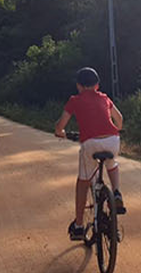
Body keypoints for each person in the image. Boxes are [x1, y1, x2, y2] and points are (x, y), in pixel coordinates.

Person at [54, 67, 125, 242]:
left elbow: (60, 125)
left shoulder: (75, 100)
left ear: (78, 86)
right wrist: (114, 130)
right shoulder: (104, 97)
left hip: (90, 144)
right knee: (111, 162)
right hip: (112, 140)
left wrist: (60, 132)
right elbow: (120, 120)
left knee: (83, 181)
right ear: (97, 85)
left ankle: (79, 225)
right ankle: (116, 193)